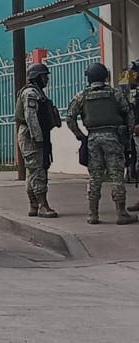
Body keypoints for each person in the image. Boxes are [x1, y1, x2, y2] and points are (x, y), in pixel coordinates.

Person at [66, 62, 138, 225]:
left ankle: (93, 214)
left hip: (93, 138)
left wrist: (81, 136)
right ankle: (121, 213)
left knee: (95, 176)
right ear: (105, 76)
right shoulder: (115, 94)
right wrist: (128, 134)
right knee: (116, 174)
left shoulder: (82, 95)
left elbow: (70, 117)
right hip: (113, 136)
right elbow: (129, 113)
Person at [15, 63, 60, 218]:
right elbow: (31, 116)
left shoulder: (38, 92)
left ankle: (34, 205)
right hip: (31, 136)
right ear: (36, 77)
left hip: (35, 135)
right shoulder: (31, 93)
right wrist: (37, 137)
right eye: (44, 76)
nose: (46, 79)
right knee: (38, 170)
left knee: (33, 171)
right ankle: (42, 205)